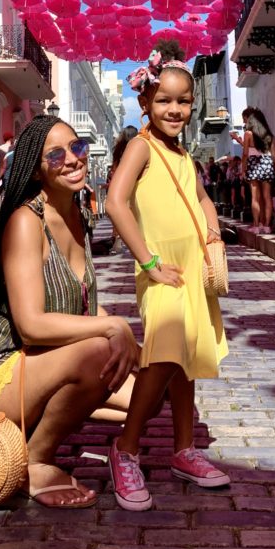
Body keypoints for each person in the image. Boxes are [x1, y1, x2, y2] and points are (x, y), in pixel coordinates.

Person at [0, 115, 140, 509]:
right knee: (100, 351)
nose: (71, 159)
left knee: (151, 392)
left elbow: (83, 304)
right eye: (55, 154)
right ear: (36, 169)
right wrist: (113, 327)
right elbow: (31, 325)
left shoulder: (79, 215)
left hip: (41, 364)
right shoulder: (25, 221)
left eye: (77, 147)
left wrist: (133, 345)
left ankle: (42, 416)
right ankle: (35, 460)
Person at [105, 40, 229, 512]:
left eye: (183, 102)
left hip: (193, 271)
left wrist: (212, 233)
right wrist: (150, 263)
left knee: (186, 359)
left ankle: (183, 448)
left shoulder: (183, 156)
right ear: (144, 103)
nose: (174, 109)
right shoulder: (141, 148)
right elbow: (116, 203)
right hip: (163, 272)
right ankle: (126, 448)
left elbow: (202, 199)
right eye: (164, 100)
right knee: (160, 357)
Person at [232, 108, 275, 234]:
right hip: (267, 163)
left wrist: (243, 170)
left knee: (255, 197)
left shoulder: (248, 134)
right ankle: (267, 226)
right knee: (267, 197)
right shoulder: (269, 135)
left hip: (254, 163)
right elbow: (274, 154)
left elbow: (245, 153)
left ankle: (257, 225)